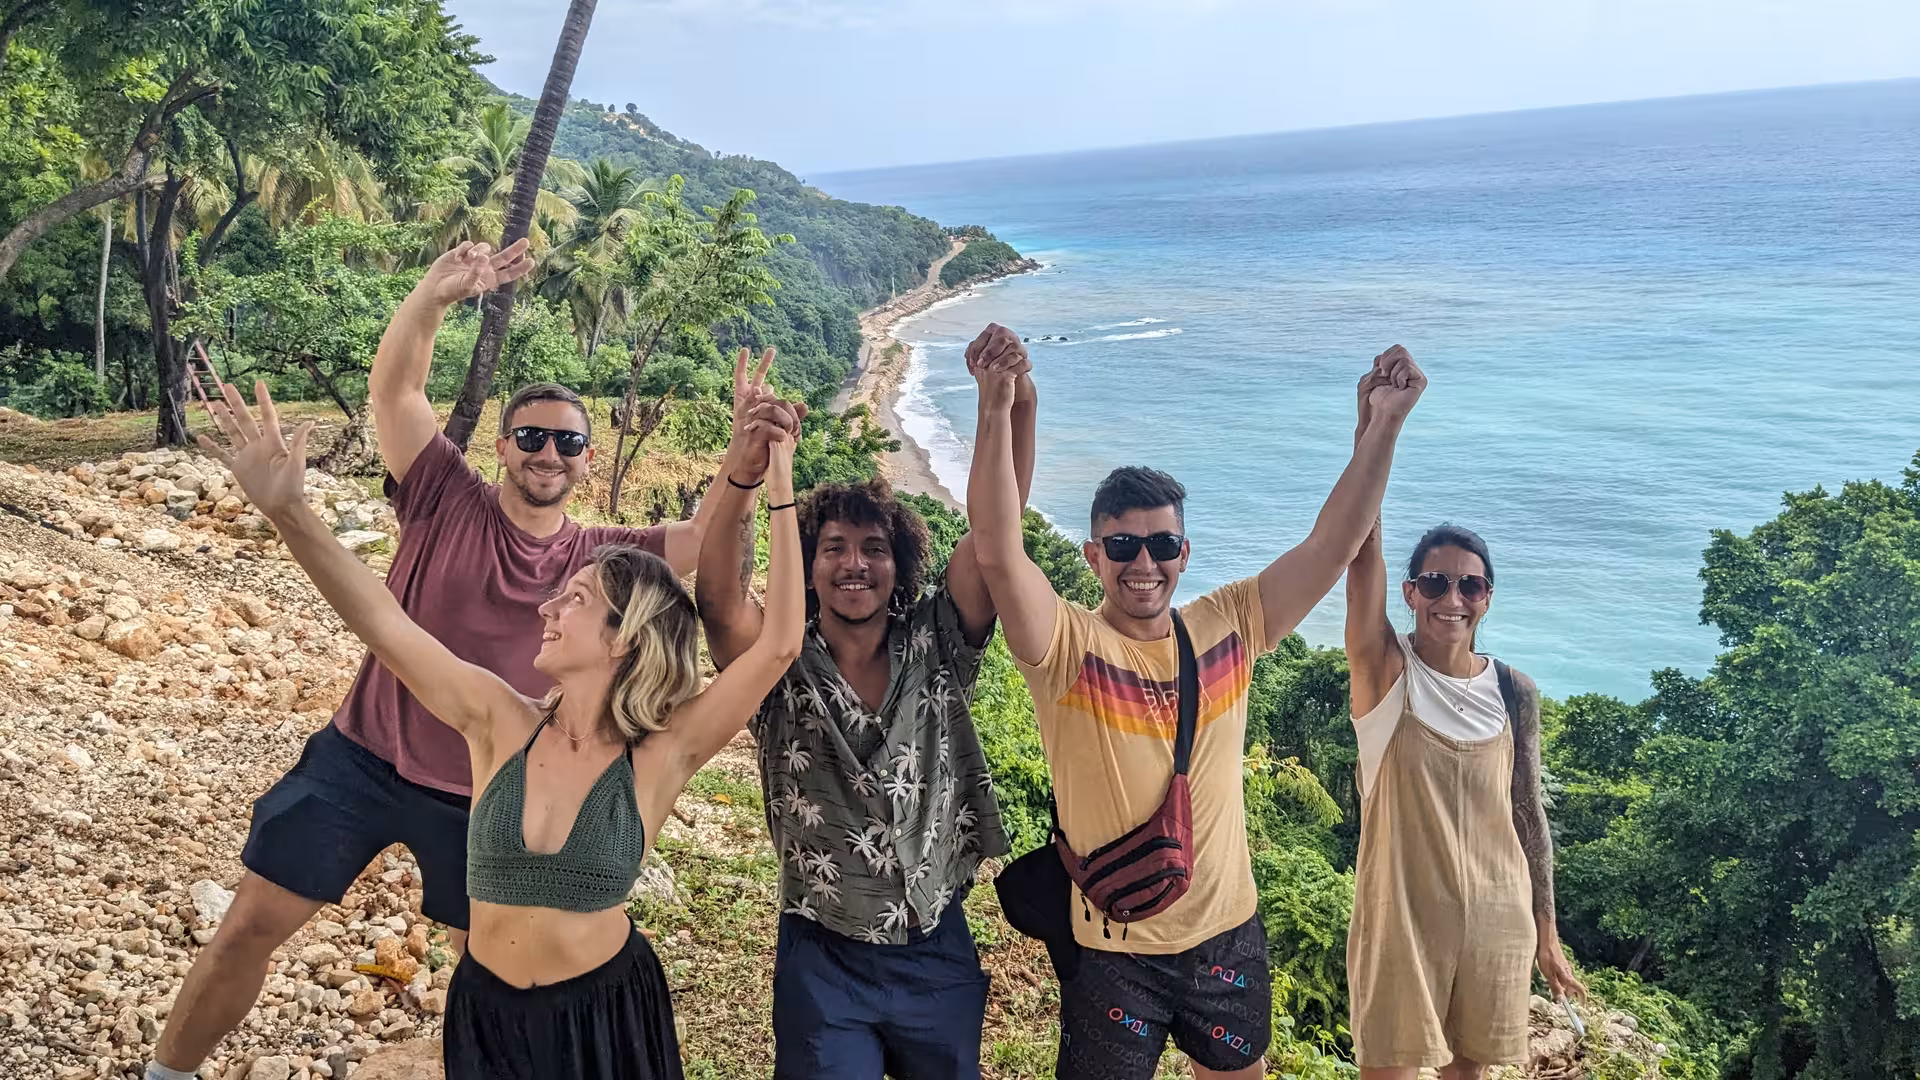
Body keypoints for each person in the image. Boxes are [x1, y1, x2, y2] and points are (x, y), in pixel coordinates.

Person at [147, 241, 780, 1080]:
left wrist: (743, 468)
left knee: (492, 972)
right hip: (366, 754)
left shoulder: (607, 558)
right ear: (503, 447)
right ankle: (167, 1073)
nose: (547, 453)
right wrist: (431, 298)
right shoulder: (445, 492)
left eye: (567, 442)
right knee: (249, 925)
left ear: (589, 460)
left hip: (489, 792)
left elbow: (705, 542)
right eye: (530, 436)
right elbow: (396, 392)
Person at [966, 334, 1426, 1080]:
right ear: (1092, 556)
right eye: (1121, 545)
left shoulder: (1230, 623)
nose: (1142, 563)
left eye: (1161, 544)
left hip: (1226, 936)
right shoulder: (1065, 647)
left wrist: (1384, 424)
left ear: (1185, 552)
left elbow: (1333, 543)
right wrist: (998, 406)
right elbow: (996, 547)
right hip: (1113, 952)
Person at [694, 324, 1038, 1079]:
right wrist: (745, 467)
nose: (856, 564)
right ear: (806, 566)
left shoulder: (938, 641)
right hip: (824, 956)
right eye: (834, 549)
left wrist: (1009, 404)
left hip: (938, 944)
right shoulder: (778, 662)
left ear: (899, 562)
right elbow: (719, 598)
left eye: (874, 548)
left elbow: (994, 538)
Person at [1342, 504, 1586, 1077]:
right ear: (1408, 592)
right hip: (1400, 918)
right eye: (1435, 582)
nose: (1451, 599)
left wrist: (1547, 936)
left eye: (1469, 585)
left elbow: (1529, 815)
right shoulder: (1384, 671)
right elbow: (1359, 564)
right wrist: (1374, 436)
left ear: (1487, 597)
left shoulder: (1512, 689)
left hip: (1497, 916)